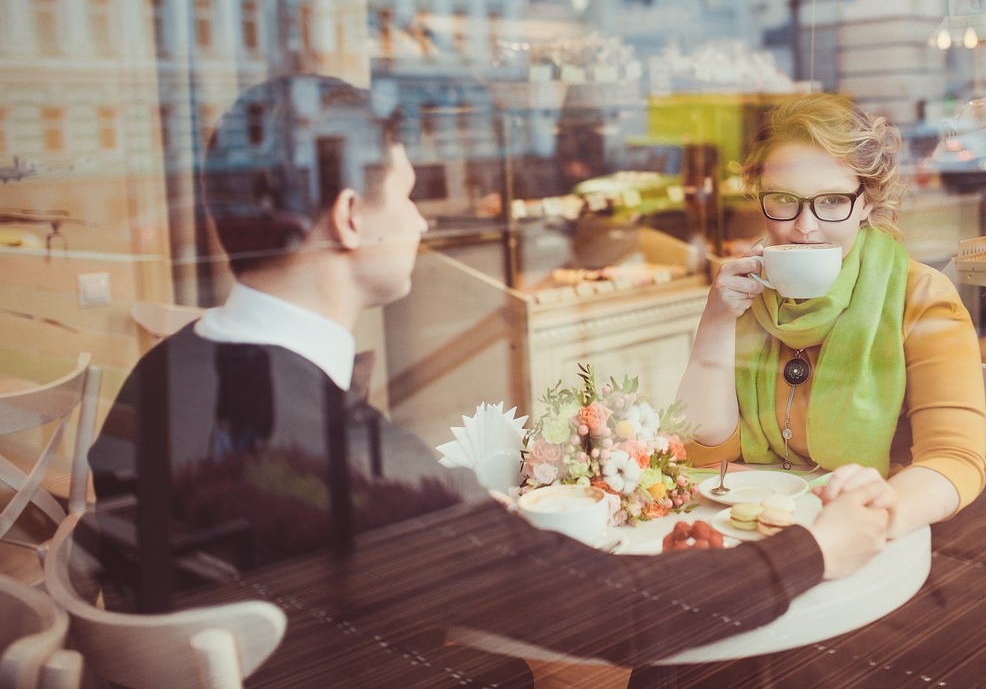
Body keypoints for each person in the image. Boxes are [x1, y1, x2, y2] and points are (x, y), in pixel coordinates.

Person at [84, 75, 894, 685]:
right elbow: (624, 614)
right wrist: (814, 550)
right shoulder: (347, 464)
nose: (424, 221)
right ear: (350, 218)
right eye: (408, 196)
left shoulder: (160, 378)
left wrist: (455, 529)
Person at [677, 92, 986, 539]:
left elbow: (955, 460)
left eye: (831, 201)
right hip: (762, 530)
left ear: (866, 202)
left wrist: (868, 520)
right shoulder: (745, 296)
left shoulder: (918, 297)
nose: (805, 227)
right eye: (785, 200)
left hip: (888, 537)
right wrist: (716, 321)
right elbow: (703, 453)